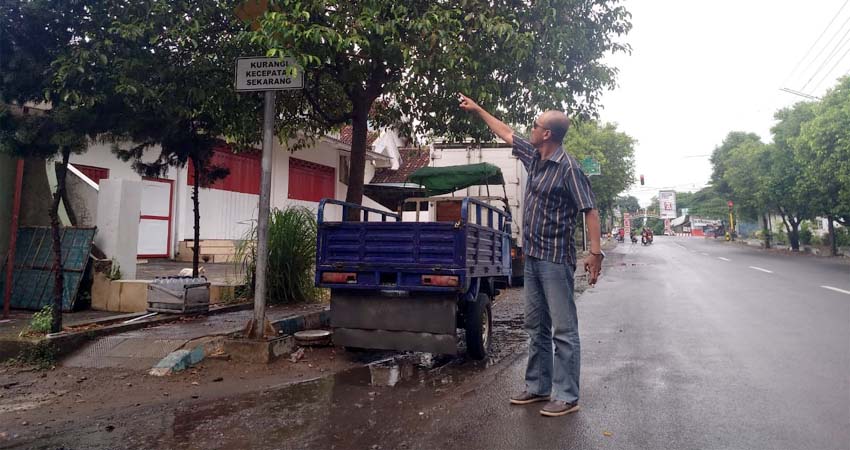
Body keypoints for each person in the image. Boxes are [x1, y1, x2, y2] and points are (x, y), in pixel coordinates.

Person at [459, 93, 603, 417]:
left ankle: (566, 395)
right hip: (534, 256)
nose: (531, 128)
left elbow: (590, 210)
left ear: (547, 134)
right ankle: (539, 387)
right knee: (535, 325)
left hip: (556, 260)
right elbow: (506, 132)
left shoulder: (568, 168)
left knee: (563, 330)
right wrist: (480, 109)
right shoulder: (535, 156)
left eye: (536, 125)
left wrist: (596, 253)